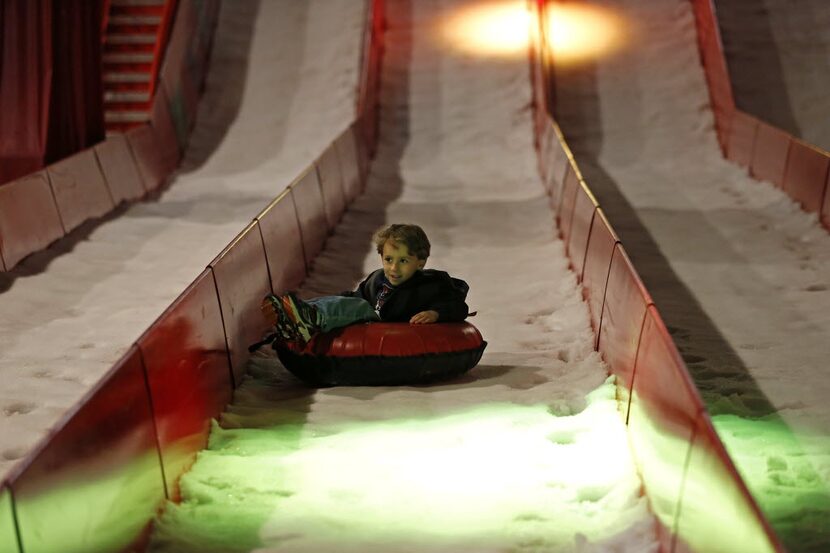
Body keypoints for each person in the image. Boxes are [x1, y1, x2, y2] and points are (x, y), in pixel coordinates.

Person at [260, 223, 470, 347]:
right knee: (347, 301)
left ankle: (310, 317)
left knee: (361, 308)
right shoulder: (377, 279)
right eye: (389, 260)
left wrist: (435, 313)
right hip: (367, 324)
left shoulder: (431, 284)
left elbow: (458, 306)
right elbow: (356, 296)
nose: (394, 268)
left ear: (420, 262)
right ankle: (299, 313)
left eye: (403, 261)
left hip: (387, 327)